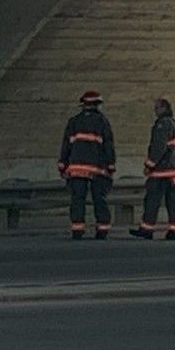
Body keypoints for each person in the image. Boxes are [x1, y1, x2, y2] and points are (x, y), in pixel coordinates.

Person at [130, 97, 175, 241]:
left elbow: (159, 148)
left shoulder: (162, 125)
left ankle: (147, 229)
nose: (155, 111)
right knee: (174, 202)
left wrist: (149, 165)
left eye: (157, 108)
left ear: (163, 109)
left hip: (163, 171)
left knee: (152, 200)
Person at [58, 90, 116, 240]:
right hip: (97, 168)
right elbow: (108, 145)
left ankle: (78, 229)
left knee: (77, 199)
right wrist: (111, 165)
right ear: (97, 105)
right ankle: (102, 230)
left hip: (77, 168)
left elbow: (66, 146)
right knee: (99, 199)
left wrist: (62, 164)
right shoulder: (102, 122)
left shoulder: (73, 122)